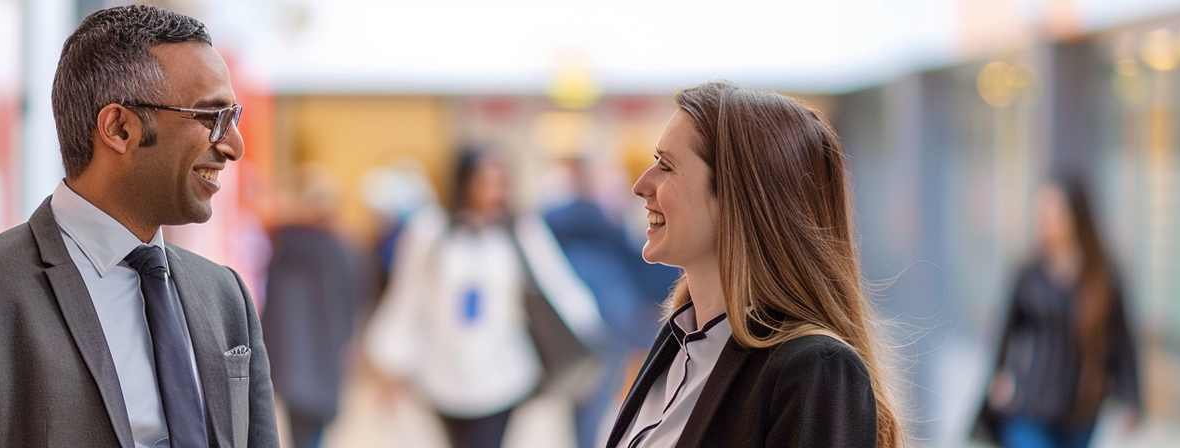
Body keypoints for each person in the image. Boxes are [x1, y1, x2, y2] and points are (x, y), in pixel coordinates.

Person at [0, 6, 276, 448]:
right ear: (119, 129)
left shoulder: (225, 296)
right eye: (209, 116)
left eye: (232, 117)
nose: (234, 146)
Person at [603, 81, 904, 448]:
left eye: (666, 166)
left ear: (735, 194)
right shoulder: (677, 341)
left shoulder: (813, 369)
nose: (640, 185)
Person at [364, 149, 607, 448]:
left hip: (504, 371)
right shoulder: (430, 229)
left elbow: (559, 284)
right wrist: (393, 360)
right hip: (442, 373)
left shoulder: (521, 229)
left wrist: (591, 336)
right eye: (485, 180)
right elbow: (406, 296)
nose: (494, 190)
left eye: (500, 181)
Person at [974, 174, 1141, 448]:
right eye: (1041, 211)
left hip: (1081, 409)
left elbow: (1122, 340)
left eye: (1053, 210)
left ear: (1075, 215)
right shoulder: (1028, 272)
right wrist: (998, 377)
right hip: (1030, 404)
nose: (1045, 219)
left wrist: (1131, 398)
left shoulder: (1103, 276)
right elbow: (1005, 329)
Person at [541, 153, 681, 447]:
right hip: (605, 324)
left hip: (598, 326)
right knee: (596, 398)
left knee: (592, 398)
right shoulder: (596, 223)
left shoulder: (561, 223)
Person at [260, 169, 367, 448]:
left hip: (289, 362)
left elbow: (271, 310)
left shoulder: (282, 247)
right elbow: (350, 306)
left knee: (300, 432)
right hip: (325, 357)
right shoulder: (340, 250)